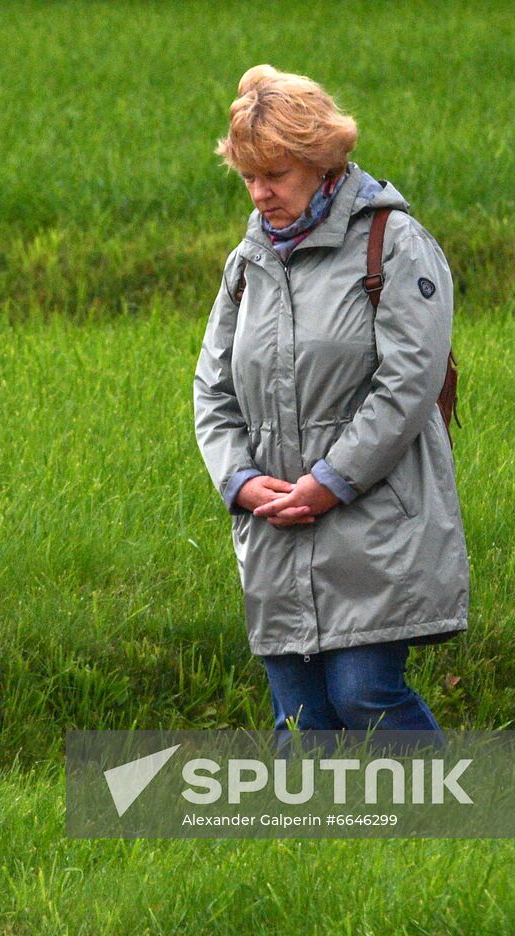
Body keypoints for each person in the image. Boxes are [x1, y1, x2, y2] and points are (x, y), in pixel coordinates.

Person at [192, 64, 469, 753]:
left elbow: (410, 380)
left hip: (374, 520)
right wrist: (238, 480)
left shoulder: (395, 244)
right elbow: (212, 388)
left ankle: (446, 833)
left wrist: (331, 482)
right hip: (275, 527)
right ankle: (309, 857)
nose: (260, 194)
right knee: (300, 721)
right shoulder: (248, 262)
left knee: (363, 695)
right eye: (248, 177)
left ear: (321, 163)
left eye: (275, 176)